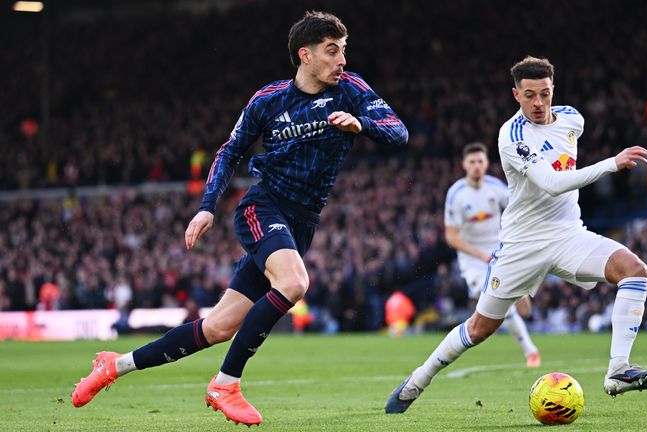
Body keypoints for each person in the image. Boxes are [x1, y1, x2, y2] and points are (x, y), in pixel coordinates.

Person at [71, 11, 408, 426]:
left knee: (218, 328)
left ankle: (114, 365)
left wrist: (363, 123)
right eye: (332, 51)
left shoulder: (352, 89)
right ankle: (226, 383)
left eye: (344, 50)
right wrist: (207, 206)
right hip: (262, 207)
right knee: (294, 282)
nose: (342, 60)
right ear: (305, 55)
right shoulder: (269, 99)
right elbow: (230, 151)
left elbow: (398, 131)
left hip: (303, 222)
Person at [386, 56, 647, 415]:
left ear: (553, 91)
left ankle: (618, 370)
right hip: (522, 245)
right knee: (480, 328)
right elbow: (550, 183)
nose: (537, 103)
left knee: (634, 269)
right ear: (515, 93)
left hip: (567, 235)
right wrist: (612, 163)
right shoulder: (512, 135)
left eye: (544, 94)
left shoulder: (573, 120)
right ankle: (417, 381)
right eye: (529, 95)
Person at [444, 142, 540, 367]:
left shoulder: (497, 188)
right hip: (472, 259)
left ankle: (531, 350)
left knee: (499, 302)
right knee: (491, 297)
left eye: (480, 161)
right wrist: (480, 255)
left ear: (486, 164)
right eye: (472, 162)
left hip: (499, 250)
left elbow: (518, 214)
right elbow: (452, 237)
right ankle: (530, 349)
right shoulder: (456, 194)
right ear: (464, 165)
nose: (476, 166)